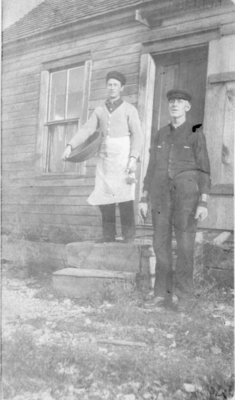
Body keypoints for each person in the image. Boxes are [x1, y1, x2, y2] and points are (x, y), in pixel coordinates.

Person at [139, 89, 211, 309]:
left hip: (186, 199)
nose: (174, 105)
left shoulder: (195, 133)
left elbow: (204, 169)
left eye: (179, 102)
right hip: (160, 197)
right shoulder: (161, 134)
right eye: (171, 102)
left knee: (185, 245)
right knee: (160, 244)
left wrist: (203, 202)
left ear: (187, 107)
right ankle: (161, 293)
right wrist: (143, 197)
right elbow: (151, 167)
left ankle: (183, 296)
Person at [62, 71, 142, 243]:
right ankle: (108, 235)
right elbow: (87, 129)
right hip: (105, 157)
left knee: (125, 196)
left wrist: (133, 157)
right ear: (107, 87)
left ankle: (129, 236)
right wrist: (70, 145)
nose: (112, 88)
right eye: (110, 84)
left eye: (115, 85)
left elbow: (137, 135)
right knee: (105, 196)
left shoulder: (130, 109)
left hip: (123, 157)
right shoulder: (99, 110)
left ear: (122, 88)